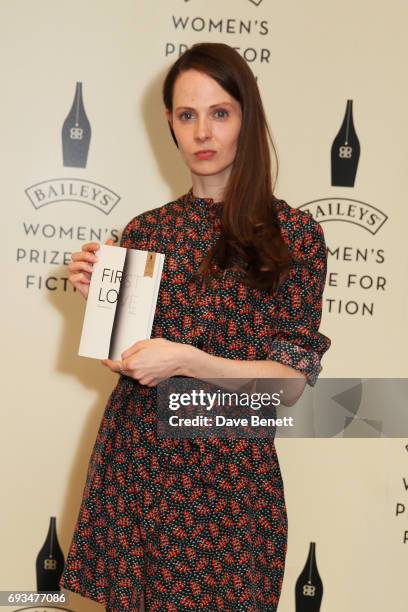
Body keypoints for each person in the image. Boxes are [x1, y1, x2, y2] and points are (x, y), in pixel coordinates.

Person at [59, 42, 331, 611]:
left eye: (220, 113)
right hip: (141, 470)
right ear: (170, 124)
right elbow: (128, 362)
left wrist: (186, 360)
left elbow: (290, 384)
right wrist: (103, 302)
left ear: (246, 119)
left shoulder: (295, 236)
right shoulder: (147, 230)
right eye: (187, 115)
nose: (202, 133)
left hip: (232, 490)